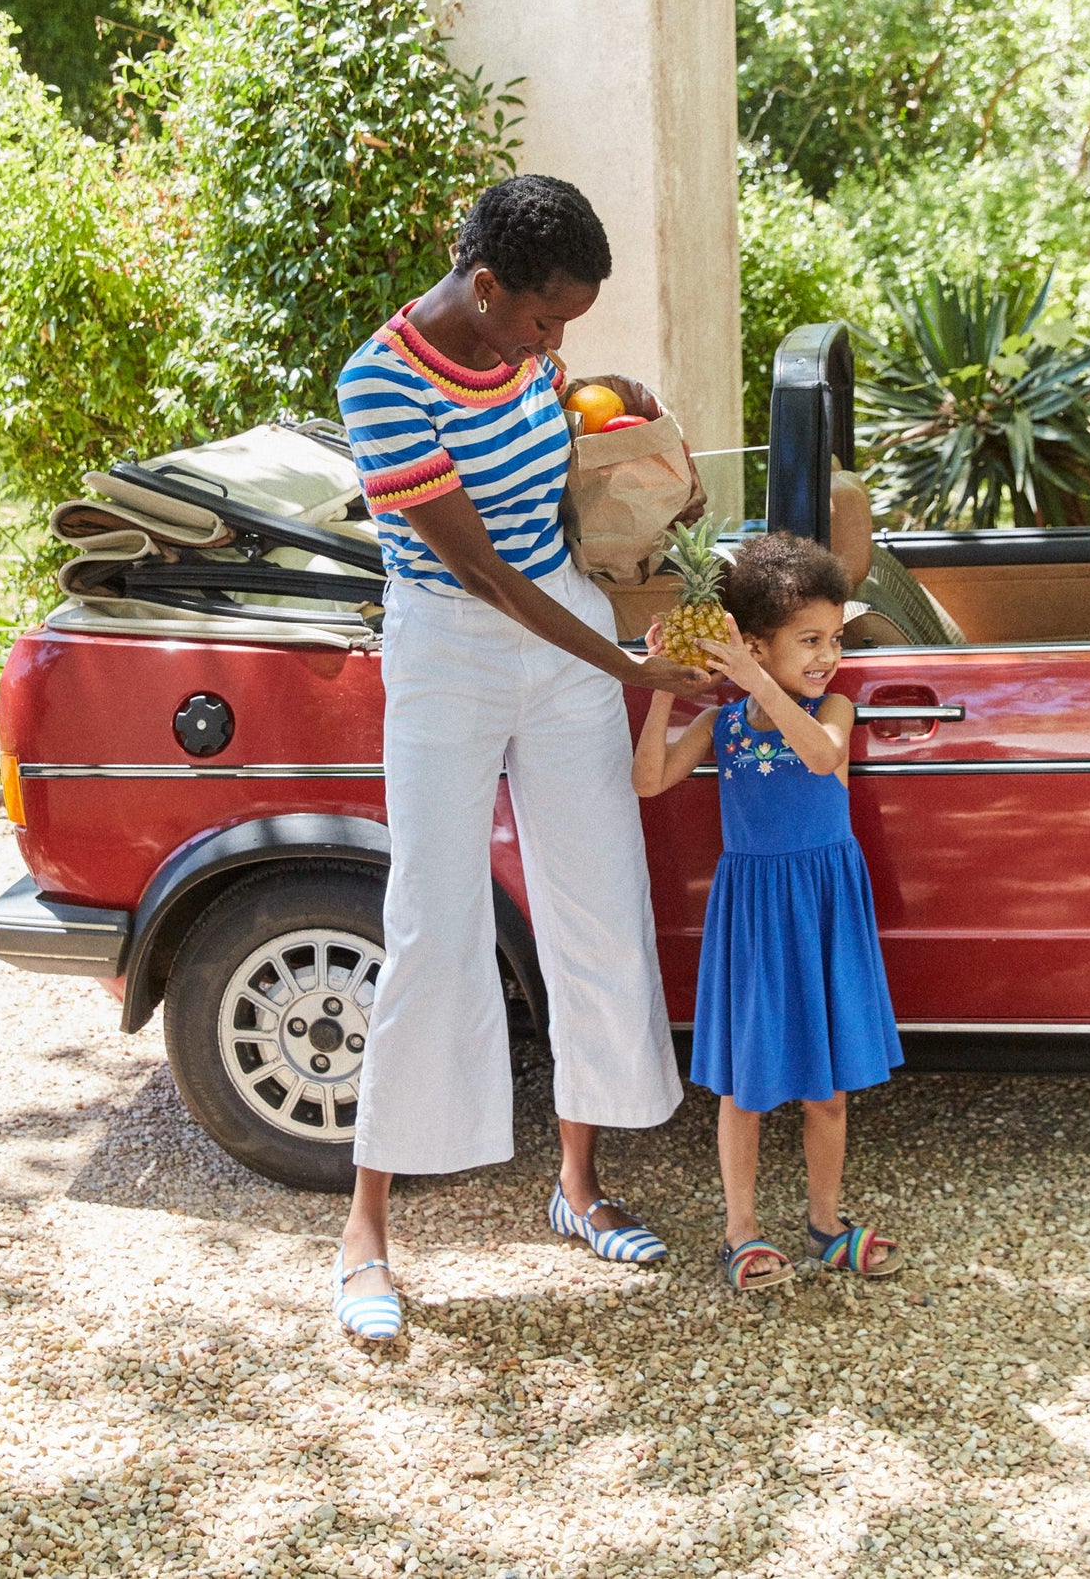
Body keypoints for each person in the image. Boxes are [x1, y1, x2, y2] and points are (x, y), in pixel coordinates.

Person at [332, 174, 708, 1342]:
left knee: (595, 897)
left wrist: (607, 398)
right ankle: (364, 1234)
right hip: (453, 640)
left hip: (559, 616)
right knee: (432, 921)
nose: (555, 341)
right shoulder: (382, 380)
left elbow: (553, 461)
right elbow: (485, 570)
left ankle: (578, 1187)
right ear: (485, 283)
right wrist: (629, 670)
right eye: (548, 318)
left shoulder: (525, 354)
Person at [631, 533, 905, 1293]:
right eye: (808, 640)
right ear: (755, 642)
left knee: (829, 1088)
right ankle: (740, 1231)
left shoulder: (835, 708)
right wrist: (663, 686)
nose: (826, 655)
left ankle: (825, 1224)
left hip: (820, 901)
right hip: (754, 908)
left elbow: (820, 756)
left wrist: (757, 675)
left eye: (834, 639)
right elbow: (648, 781)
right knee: (745, 1087)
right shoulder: (722, 725)